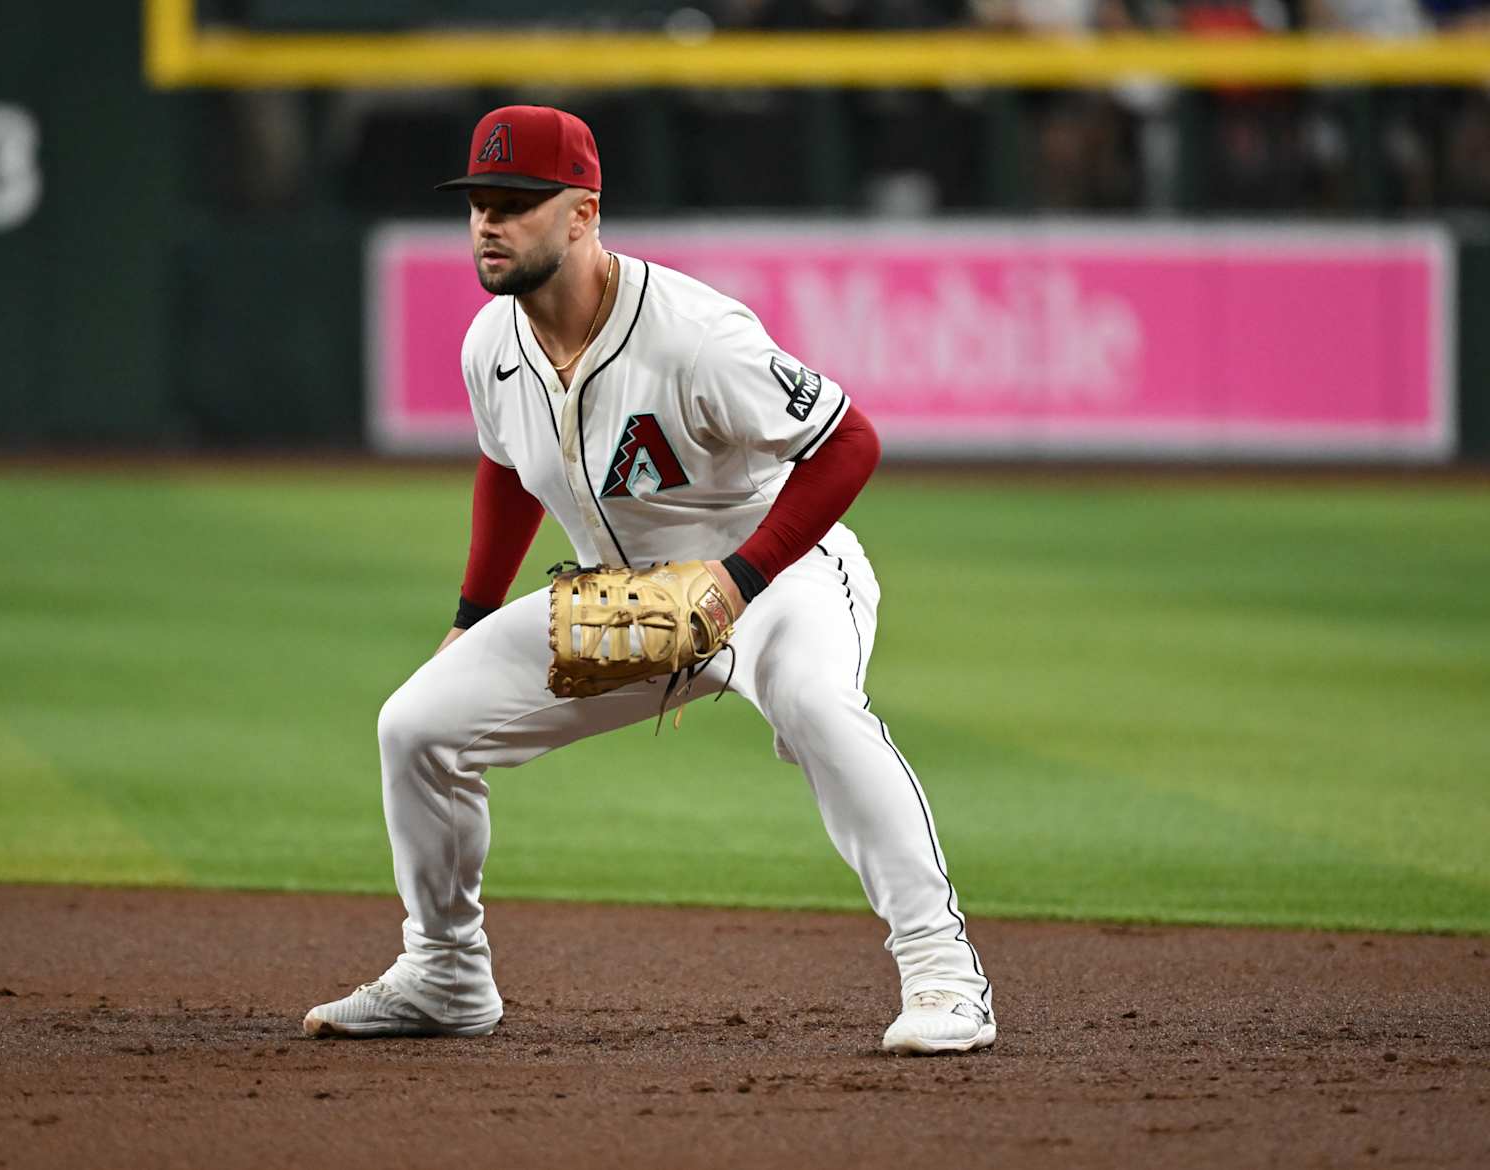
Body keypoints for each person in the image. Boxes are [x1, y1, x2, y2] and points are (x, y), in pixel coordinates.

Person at [302, 106, 995, 1056]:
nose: (489, 224)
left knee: (815, 706)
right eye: (478, 204)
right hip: (619, 600)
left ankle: (945, 979)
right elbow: (506, 470)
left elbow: (849, 443)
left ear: (583, 214)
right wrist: (469, 617)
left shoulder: (695, 335)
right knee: (416, 727)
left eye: (517, 203)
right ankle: (446, 972)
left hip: (776, 573)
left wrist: (739, 580)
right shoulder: (491, 344)